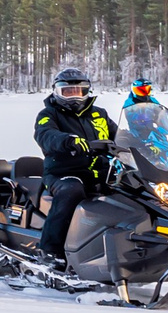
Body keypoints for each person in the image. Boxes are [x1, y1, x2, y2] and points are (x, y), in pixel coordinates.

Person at [31, 67, 118, 270]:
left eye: (79, 91)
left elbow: (120, 135)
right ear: (57, 92)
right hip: (63, 173)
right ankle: (50, 251)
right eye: (68, 92)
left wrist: (149, 144)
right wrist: (67, 140)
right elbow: (45, 135)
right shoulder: (49, 113)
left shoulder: (99, 114)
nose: (74, 96)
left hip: (100, 172)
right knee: (72, 191)